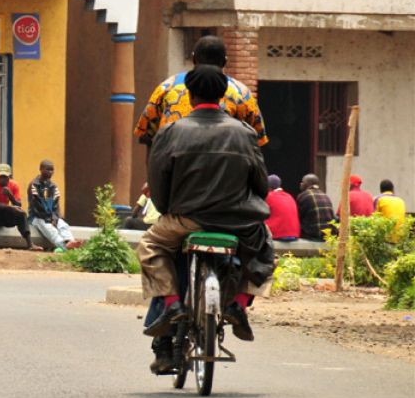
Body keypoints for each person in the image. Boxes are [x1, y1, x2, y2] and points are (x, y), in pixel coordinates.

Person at [138, 66, 273, 350]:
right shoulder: (245, 133)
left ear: (190, 95)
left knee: (150, 246)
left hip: (187, 220)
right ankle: (239, 304)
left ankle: (172, 304)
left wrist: (168, 210)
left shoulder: (170, 132)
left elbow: (158, 183)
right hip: (239, 222)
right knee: (265, 249)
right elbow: (261, 185)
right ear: (223, 95)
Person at [135, 36, 268, 150]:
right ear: (224, 61)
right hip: (225, 169)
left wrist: (154, 173)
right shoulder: (242, 94)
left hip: (175, 168)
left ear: (194, 59)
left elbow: (149, 138)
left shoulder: (166, 88)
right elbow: (255, 143)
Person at [27, 160, 80, 252]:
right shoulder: (34, 185)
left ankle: (70, 241)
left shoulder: (53, 186)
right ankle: (65, 247)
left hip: (50, 217)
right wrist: (49, 218)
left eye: (52, 170)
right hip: (37, 217)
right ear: (41, 169)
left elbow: (56, 206)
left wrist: (55, 217)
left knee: (63, 225)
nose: (50, 172)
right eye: (48, 169)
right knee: (49, 229)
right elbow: (36, 207)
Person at [296, 174, 336, 241]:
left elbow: (298, 216)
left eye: (303, 182)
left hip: (314, 235)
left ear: (308, 183)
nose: (301, 184)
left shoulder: (304, 196)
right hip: (328, 235)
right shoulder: (325, 195)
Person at [264, 175, 300, 242]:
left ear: (268, 187)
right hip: (294, 234)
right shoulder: (289, 196)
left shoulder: (268, 196)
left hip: (278, 234)